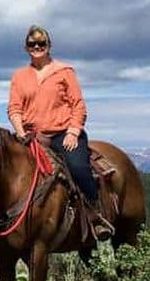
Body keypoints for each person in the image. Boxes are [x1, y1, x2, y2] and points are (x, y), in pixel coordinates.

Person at [7, 25, 114, 240]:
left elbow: (78, 105)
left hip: (63, 133)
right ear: (26, 47)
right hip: (32, 136)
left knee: (77, 167)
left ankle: (96, 215)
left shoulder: (64, 72)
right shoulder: (19, 76)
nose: (37, 47)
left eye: (41, 43)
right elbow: (14, 109)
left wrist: (73, 132)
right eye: (32, 44)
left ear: (49, 46)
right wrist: (20, 132)